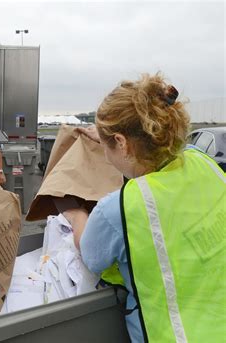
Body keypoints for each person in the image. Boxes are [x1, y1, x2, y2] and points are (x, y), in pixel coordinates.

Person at [64, 73, 225, 342]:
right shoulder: (204, 163)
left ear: (122, 142)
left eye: (107, 145)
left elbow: (92, 256)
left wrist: (76, 216)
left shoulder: (120, 208)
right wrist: (108, 136)